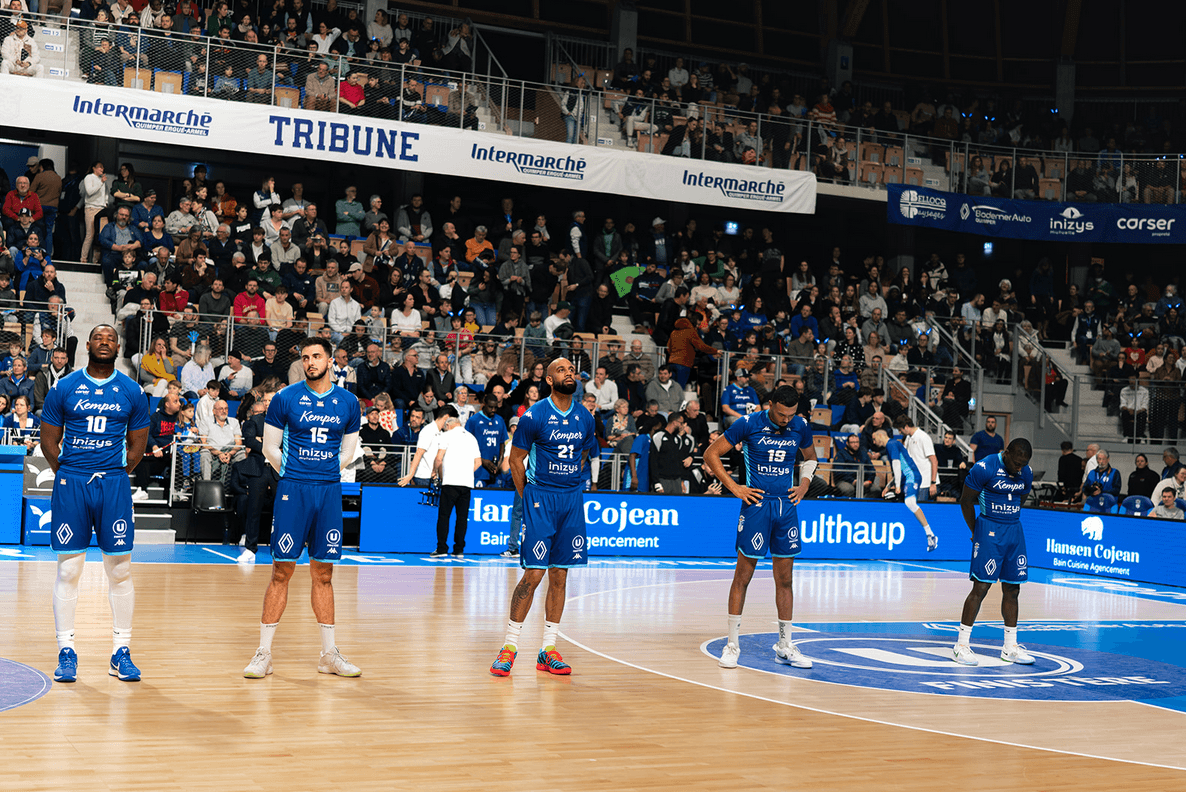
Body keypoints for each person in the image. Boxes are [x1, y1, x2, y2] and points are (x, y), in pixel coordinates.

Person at [244, 337, 361, 680]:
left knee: (324, 573)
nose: (311, 362)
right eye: (306, 357)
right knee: (281, 571)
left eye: (317, 356)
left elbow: (349, 451)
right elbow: (270, 447)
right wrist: (294, 472)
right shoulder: (285, 397)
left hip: (328, 490)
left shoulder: (349, 402)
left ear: (330, 361)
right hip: (293, 489)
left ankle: (329, 654)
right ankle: (264, 654)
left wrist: (325, 471)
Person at [39, 325, 151, 683]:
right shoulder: (64, 387)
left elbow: (137, 446)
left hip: (113, 484)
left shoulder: (132, 391)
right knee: (68, 571)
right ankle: (66, 651)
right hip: (72, 483)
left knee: (120, 571)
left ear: (118, 346)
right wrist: (69, 471)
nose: (105, 343)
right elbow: (48, 441)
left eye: (111, 339)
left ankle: (121, 652)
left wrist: (115, 472)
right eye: (99, 338)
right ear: (87, 345)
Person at [489, 358, 599, 678]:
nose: (570, 374)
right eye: (562, 370)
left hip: (571, 500)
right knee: (534, 574)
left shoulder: (585, 417)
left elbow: (583, 454)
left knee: (560, 576)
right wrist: (528, 496)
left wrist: (571, 483)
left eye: (572, 370)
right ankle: (509, 647)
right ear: (549, 380)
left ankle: (548, 650)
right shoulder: (534, 415)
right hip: (541, 498)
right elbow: (516, 460)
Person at [703, 386, 818, 670]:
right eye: (781, 414)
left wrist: (804, 484)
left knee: (786, 580)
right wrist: (735, 488)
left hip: (786, 506)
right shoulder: (748, 423)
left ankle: (785, 645)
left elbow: (811, 457)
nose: (786, 420)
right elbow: (711, 454)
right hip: (756, 505)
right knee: (743, 576)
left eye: (791, 415)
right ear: (770, 405)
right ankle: (732, 645)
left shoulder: (800, 425)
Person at [951, 438, 1035, 666]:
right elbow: (966, 501)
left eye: (1023, 464)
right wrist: (975, 531)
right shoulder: (985, 467)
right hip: (989, 529)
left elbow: (1021, 498)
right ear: (1006, 453)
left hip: (1014, 531)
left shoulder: (1026, 472)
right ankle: (961, 646)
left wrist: (1008, 514)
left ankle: (1010, 647)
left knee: (1013, 589)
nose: (1019, 468)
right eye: (1016, 463)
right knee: (981, 587)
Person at [873, 428, 938, 551]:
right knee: (891, 498)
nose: (874, 442)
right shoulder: (892, 445)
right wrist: (888, 486)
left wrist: (897, 486)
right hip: (905, 478)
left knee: (910, 502)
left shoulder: (891, 444)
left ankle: (930, 534)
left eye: (874, 438)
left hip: (911, 477)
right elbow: (900, 468)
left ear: (880, 435)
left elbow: (897, 465)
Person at [431, 416, 482, 558]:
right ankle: (459, 549)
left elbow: (439, 458)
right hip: (466, 483)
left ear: (448, 425)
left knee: (444, 516)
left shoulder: (446, 435)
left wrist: (435, 471)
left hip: (450, 482)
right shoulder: (471, 437)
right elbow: (478, 463)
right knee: (462, 518)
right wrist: (466, 472)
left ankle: (442, 548)